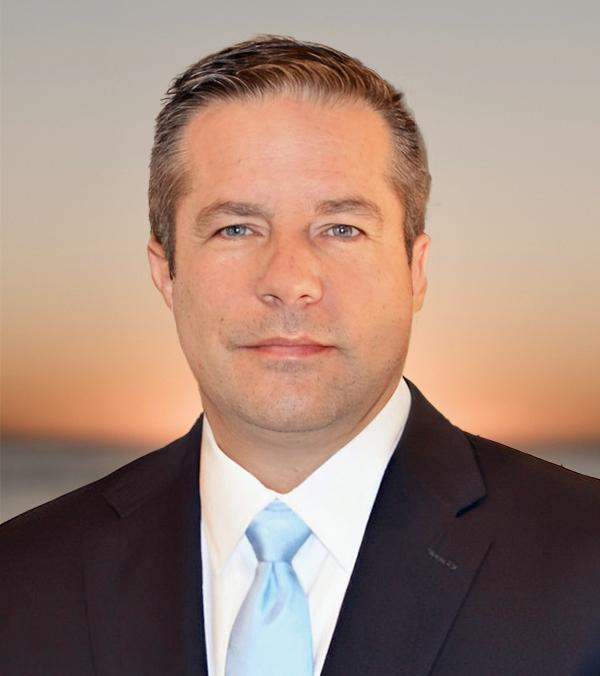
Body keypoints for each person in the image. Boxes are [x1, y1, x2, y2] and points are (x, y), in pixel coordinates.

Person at [2, 35, 599, 676]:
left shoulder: (584, 562)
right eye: (236, 228)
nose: (289, 280)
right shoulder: (21, 579)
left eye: (342, 228)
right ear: (165, 272)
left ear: (415, 269)